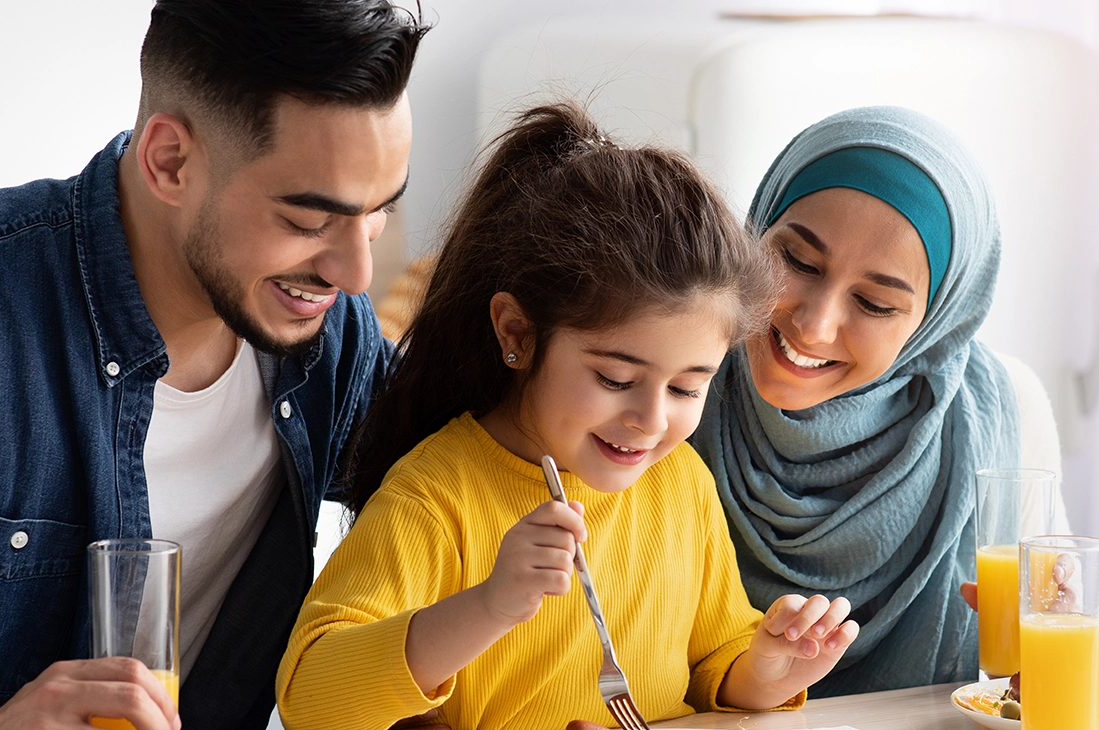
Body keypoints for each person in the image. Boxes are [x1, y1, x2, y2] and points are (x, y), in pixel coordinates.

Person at [0, 1, 426, 728]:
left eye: (379, 211)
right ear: (170, 161)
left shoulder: (329, 334)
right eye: (309, 221)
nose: (355, 272)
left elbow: (471, 478)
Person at [273, 104, 861, 730]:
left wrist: (767, 671)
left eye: (688, 389)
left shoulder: (681, 484)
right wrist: (491, 605)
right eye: (615, 379)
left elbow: (714, 662)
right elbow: (310, 697)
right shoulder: (436, 495)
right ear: (517, 333)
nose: (650, 420)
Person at [688, 106, 1067, 696]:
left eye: (875, 304)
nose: (815, 325)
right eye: (797, 261)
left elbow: (1042, 672)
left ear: (932, 325)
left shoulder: (1001, 410)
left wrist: (1049, 634)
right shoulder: (670, 380)